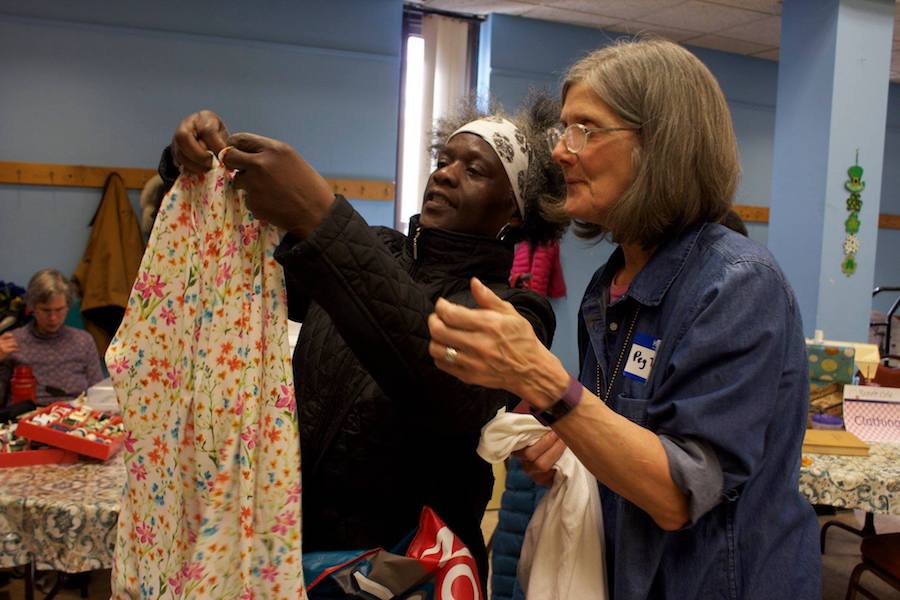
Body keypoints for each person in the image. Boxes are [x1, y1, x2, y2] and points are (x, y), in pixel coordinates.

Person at [428, 38, 821, 599]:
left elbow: (676, 494)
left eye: (585, 129)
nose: (561, 152)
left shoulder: (736, 284)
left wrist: (544, 382)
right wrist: (572, 440)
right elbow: (622, 432)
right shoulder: (610, 285)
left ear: (663, 146)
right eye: (563, 129)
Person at [160, 94, 568, 587]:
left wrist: (322, 219)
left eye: (475, 170)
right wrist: (196, 168)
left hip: (410, 572)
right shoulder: (375, 247)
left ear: (516, 212)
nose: (443, 174)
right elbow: (241, 276)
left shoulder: (516, 312)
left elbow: (443, 391)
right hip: (295, 555)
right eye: (444, 160)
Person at [0, 269, 103, 406]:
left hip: (75, 416)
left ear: (68, 307)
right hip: (25, 418)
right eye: (46, 310)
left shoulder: (83, 341)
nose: (53, 318)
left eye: (59, 310)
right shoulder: (11, 342)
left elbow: (100, 396)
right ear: (32, 307)